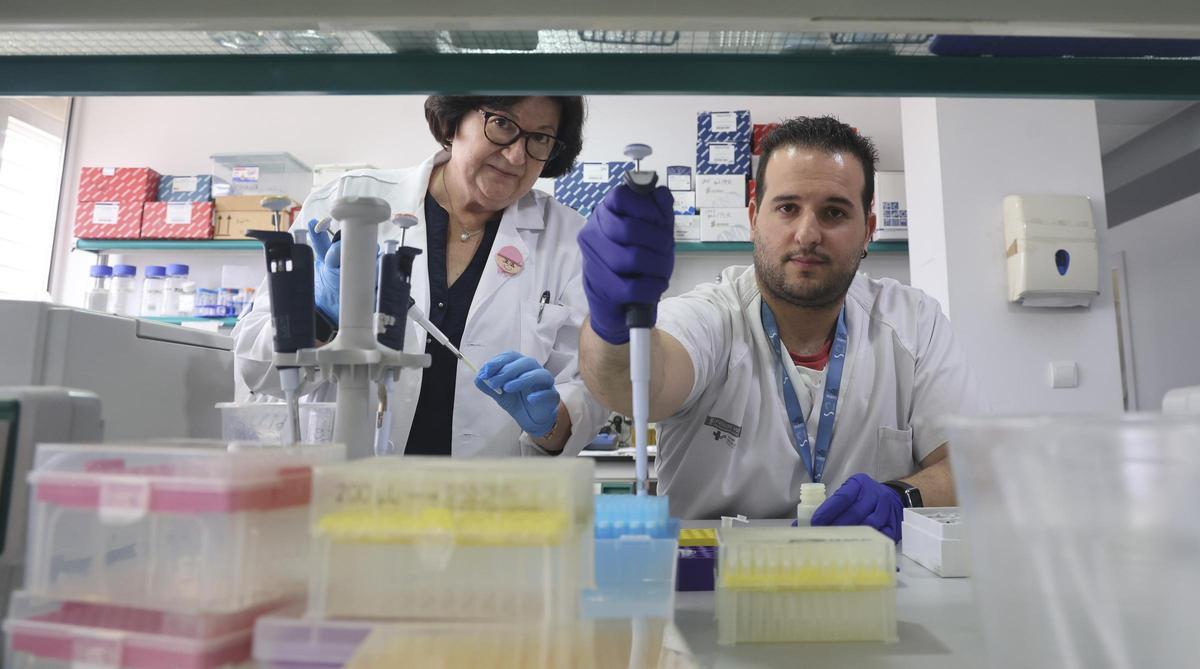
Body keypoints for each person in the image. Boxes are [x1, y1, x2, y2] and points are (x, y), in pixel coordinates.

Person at [577, 116, 983, 539]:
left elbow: (975, 469)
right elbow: (632, 384)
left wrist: (901, 497)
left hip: (872, 580)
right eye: (788, 208)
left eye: (834, 212)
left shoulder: (914, 322)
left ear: (869, 230)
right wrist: (612, 321)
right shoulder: (714, 314)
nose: (807, 234)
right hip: (712, 586)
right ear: (753, 218)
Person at [234, 95, 608, 459]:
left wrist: (550, 420)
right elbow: (253, 365)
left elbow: (588, 393)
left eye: (540, 138)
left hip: (488, 501)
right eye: (502, 124)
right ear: (454, 120)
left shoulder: (571, 241)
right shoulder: (348, 203)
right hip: (348, 489)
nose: (516, 155)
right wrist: (318, 320)